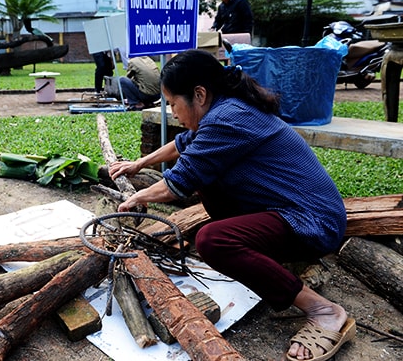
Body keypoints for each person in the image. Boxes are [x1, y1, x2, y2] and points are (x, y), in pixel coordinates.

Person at [109, 49, 355, 361]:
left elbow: (178, 182)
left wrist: (134, 198)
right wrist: (139, 163)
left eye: (173, 103)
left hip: (313, 222)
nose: (172, 112)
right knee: (209, 183)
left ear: (199, 94)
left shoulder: (228, 118)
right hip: (292, 210)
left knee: (213, 241)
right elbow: (184, 143)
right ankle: (262, 261)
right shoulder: (224, 110)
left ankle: (324, 311)